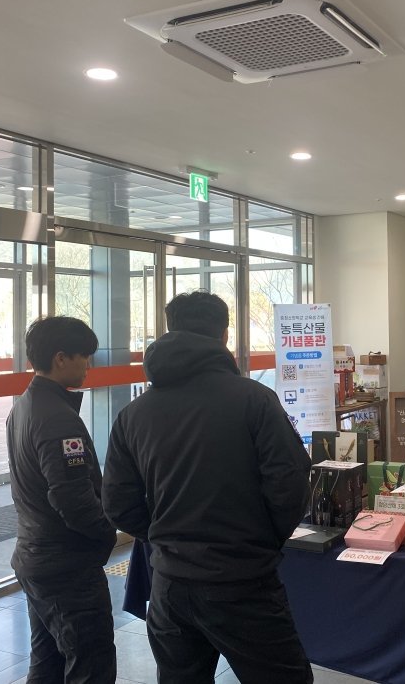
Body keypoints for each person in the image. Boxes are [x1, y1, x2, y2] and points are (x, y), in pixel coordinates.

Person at [102, 291, 313, 684]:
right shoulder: (255, 400)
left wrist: (163, 535)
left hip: (169, 585)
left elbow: (116, 502)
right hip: (242, 582)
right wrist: (263, 539)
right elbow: (290, 483)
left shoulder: (133, 414)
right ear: (224, 335)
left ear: (170, 330)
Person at [6, 316, 117, 683]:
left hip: (36, 557)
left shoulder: (23, 406)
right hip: (66, 568)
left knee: (48, 662)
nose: (88, 365)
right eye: (84, 356)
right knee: (91, 663)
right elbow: (72, 499)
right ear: (60, 358)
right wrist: (107, 533)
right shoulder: (58, 419)